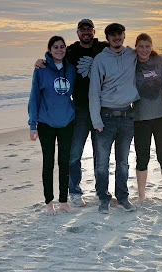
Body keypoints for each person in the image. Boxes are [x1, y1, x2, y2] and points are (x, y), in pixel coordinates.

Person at [35, 19, 108, 207]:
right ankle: (74, 191)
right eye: (82, 30)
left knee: (101, 155)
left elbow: (124, 52)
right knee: (74, 154)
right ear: (77, 33)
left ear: (93, 31)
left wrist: (160, 57)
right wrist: (42, 61)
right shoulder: (72, 51)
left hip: (102, 109)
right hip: (80, 110)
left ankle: (102, 192)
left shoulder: (103, 48)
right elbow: (55, 60)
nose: (86, 32)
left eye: (89, 29)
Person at [89, 23, 138, 214]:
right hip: (105, 117)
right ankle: (103, 197)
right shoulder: (100, 59)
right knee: (102, 162)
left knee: (123, 162)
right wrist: (96, 120)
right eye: (112, 35)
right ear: (107, 38)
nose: (116, 38)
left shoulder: (132, 54)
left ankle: (122, 197)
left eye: (119, 34)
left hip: (127, 116)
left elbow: (149, 56)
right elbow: (94, 91)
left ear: (124, 36)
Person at [28, 36, 76, 216]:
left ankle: (63, 202)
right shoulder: (41, 69)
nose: (59, 50)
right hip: (46, 123)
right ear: (49, 50)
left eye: (62, 47)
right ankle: (49, 203)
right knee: (49, 163)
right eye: (55, 47)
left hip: (67, 122)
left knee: (65, 162)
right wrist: (33, 123)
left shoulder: (71, 69)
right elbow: (34, 97)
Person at [133, 33, 162, 206]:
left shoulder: (160, 60)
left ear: (151, 46)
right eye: (140, 46)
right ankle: (141, 196)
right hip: (140, 118)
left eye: (147, 46)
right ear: (136, 47)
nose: (144, 50)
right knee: (142, 157)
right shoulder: (131, 62)